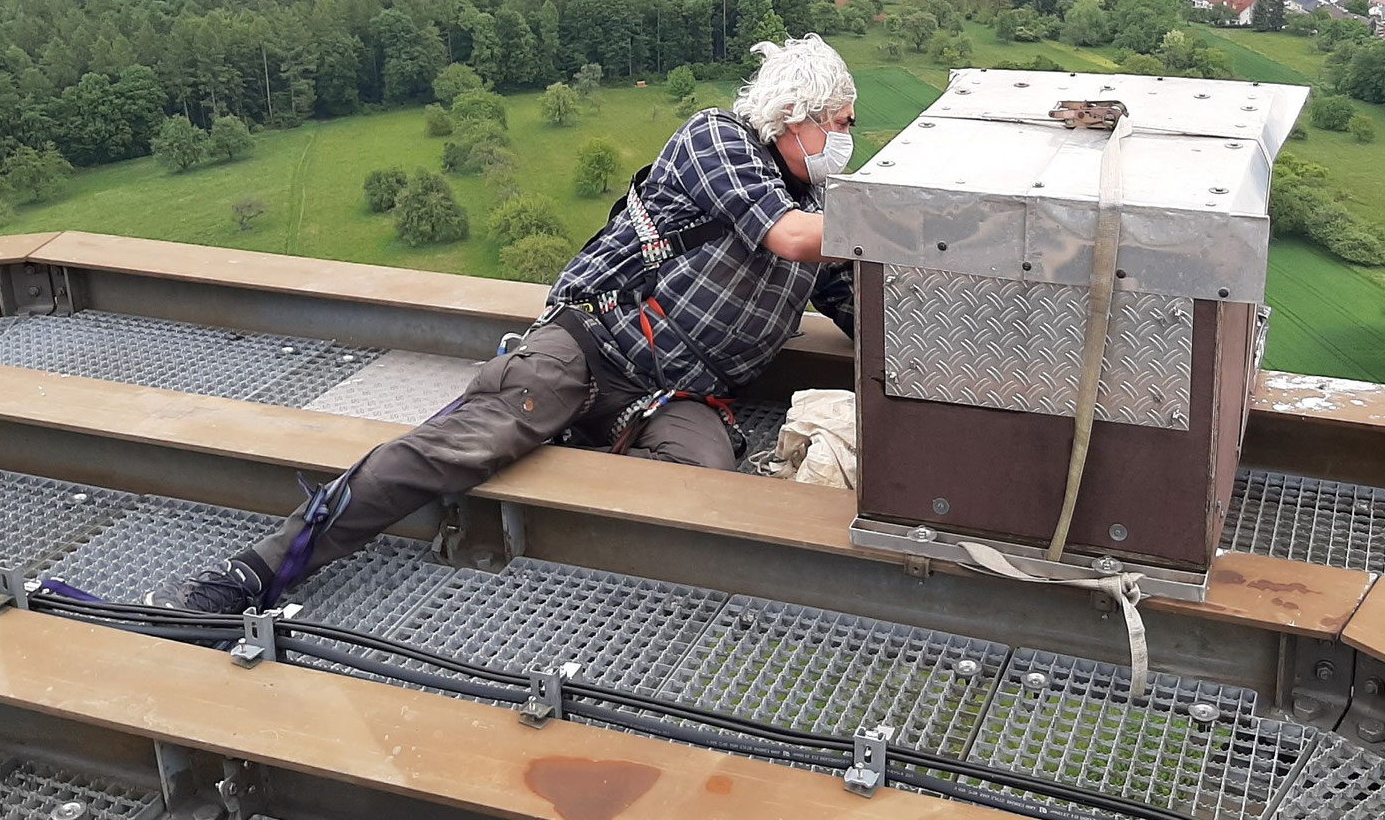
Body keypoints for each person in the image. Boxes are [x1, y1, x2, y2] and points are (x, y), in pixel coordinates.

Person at [151, 35, 858, 614]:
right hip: (592, 346)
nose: (847, 140)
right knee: (452, 450)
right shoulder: (719, 140)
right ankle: (253, 574)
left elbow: (851, 295)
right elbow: (791, 237)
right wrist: (902, 224)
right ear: (796, 113)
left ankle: (567, 449)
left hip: (679, 393)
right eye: (841, 123)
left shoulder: (825, 207)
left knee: (702, 485)